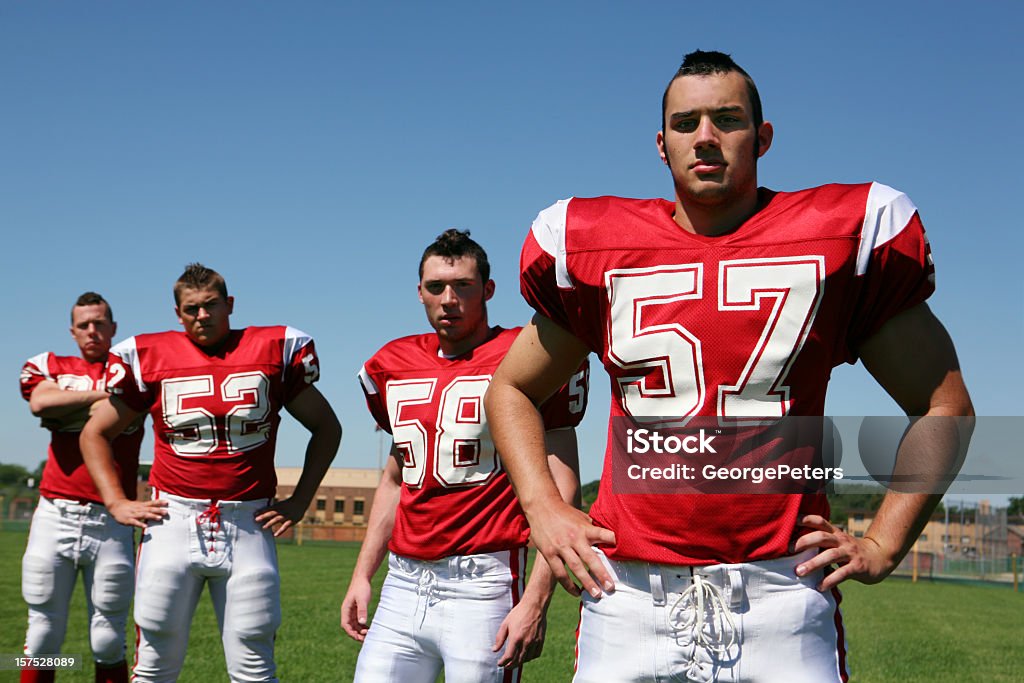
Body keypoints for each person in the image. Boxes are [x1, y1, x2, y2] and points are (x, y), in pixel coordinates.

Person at [484, 50, 973, 683]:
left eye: (728, 119)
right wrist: (544, 509)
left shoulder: (837, 234)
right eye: (686, 123)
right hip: (628, 594)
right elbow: (510, 389)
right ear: (662, 145)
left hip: (781, 592)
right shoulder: (598, 244)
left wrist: (883, 542)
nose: (705, 137)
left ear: (762, 136)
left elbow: (946, 405)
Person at [340, 229, 588, 682]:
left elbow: (562, 482)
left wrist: (535, 598)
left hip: (486, 582)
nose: (448, 298)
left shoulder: (527, 355)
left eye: (463, 286)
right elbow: (396, 479)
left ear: (488, 290)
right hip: (402, 582)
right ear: (420, 292)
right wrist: (362, 575)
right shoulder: (390, 363)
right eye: (436, 287)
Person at [80, 263, 342, 683]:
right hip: (172, 519)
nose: (202, 316)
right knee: (153, 667)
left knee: (255, 667)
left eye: (211, 305)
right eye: (191, 309)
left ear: (229, 304)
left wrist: (300, 501)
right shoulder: (150, 355)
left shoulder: (272, 348)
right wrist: (115, 499)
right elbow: (95, 432)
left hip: (248, 520)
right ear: (178, 314)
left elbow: (327, 428)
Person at [18, 292, 143, 683]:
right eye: (84, 324)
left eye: (100, 323)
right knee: (41, 638)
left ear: (114, 328)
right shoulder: (50, 364)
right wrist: (105, 396)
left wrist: (67, 406)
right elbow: (41, 403)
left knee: (107, 639)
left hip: (111, 518)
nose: (93, 331)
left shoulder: (135, 369)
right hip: (55, 513)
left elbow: (55, 404)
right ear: (72, 331)